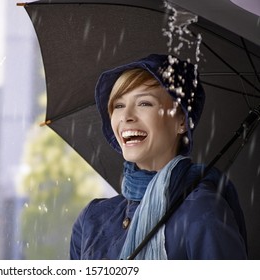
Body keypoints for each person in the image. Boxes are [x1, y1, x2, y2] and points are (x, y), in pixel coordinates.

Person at [69, 54, 248, 260]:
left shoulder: (202, 212)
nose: (126, 116)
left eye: (144, 103)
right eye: (118, 105)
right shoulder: (93, 220)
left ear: (181, 120)